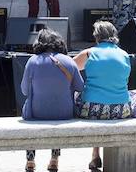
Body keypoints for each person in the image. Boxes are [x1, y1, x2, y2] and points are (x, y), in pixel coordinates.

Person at [20, 29, 84, 172]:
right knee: (57, 117)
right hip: (64, 113)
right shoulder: (69, 61)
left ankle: (30, 161)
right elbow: (80, 87)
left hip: (36, 113)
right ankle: (54, 159)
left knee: (30, 122)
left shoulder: (32, 62)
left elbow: (24, 90)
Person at [73, 21, 132, 171]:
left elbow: (71, 69)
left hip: (92, 108)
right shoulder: (124, 55)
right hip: (121, 109)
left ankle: (95, 153)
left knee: (80, 97)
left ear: (96, 36)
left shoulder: (89, 53)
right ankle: (95, 154)